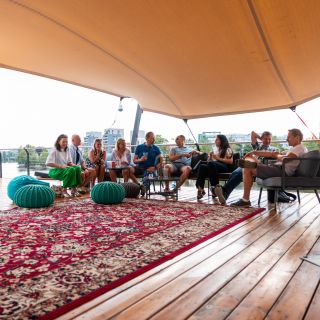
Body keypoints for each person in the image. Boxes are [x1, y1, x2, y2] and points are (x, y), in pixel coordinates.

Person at [231, 128, 307, 207]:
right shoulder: (293, 149)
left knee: (247, 168)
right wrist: (254, 152)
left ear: (297, 138)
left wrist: (275, 155)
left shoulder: (299, 148)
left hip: (281, 171)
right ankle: (249, 162)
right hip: (277, 168)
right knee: (248, 166)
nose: (286, 139)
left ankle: (245, 200)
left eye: (289, 137)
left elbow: (286, 159)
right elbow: (272, 154)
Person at [214, 130, 276, 205]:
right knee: (235, 172)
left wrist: (255, 159)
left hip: (258, 167)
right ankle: (225, 192)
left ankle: (225, 192)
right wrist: (261, 138)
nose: (268, 141)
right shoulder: (258, 147)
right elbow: (253, 133)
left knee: (241, 171)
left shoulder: (273, 150)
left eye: (269, 139)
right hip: (250, 164)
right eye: (266, 139)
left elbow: (269, 163)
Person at [196, 134, 233, 200]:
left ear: (222, 141)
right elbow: (209, 162)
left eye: (217, 139)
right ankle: (200, 189)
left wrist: (218, 158)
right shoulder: (216, 150)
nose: (215, 141)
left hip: (224, 167)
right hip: (214, 167)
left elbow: (230, 161)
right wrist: (210, 157)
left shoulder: (227, 149)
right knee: (202, 166)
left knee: (211, 164)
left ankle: (215, 188)